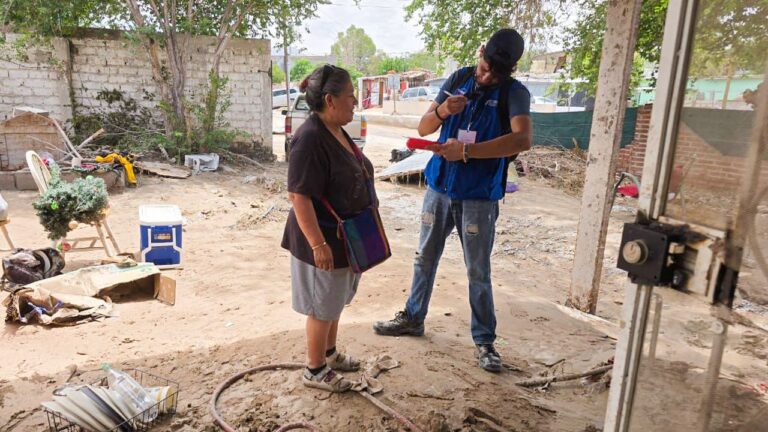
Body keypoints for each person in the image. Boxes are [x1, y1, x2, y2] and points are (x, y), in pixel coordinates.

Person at [373, 29, 533, 373]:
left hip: (478, 196)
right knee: (424, 257)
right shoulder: (459, 78)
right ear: (480, 52)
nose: (486, 75)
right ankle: (413, 318)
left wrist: (468, 151)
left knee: (478, 269)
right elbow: (423, 127)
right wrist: (444, 110)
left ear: (510, 70)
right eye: (485, 66)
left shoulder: (514, 93)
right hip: (439, 187)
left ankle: (485, 341)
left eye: (495, 72)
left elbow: (522, 139)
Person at [282, 64, 376, 392]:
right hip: (320, 238)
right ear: (330, 100)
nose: (355, 102)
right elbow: (298, 195)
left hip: (344, 238)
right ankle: (315, 369)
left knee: (334, 301)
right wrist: (318, 245)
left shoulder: (336, 129)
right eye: (350, 97)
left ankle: (331, 355)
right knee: (321, 306)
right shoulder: (309, 138)